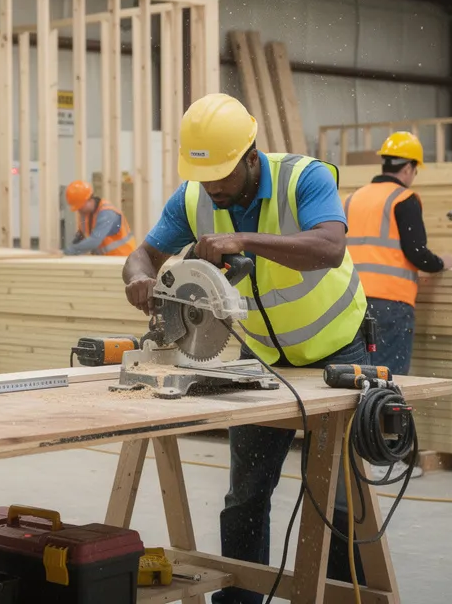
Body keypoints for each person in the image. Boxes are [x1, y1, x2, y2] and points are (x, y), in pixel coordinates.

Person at [121, 94, 370, 603]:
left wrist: (245, 241)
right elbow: (143, 253)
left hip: (339, 350)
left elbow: (330, 247)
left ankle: (349, 596)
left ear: (251, 157)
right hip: (262, 360)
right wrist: (141, 278)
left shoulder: (305, 178)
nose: (213, 188)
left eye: (223, 177)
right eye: (205, 177)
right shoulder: (192, 197)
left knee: (339, 496)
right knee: (246, 494)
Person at [344, 132, 452, 376]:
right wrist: (442, 263)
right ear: (408, 167)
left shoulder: (353, 198)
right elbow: (416, 253)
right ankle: (384, 415)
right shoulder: (404, 199)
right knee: (388, 380)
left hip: (351, 300)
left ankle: (365, 416)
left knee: (359, 378)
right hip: (390, 302)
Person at [62, 180, 136, 257]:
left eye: (80, 206)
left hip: (122, 258)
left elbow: (94, 241)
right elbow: (81, 237)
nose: (79, 210)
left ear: (89, 200)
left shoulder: (107, 213)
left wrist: (67, 252)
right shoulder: (85, 214)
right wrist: (69, 250)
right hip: (107, 259)